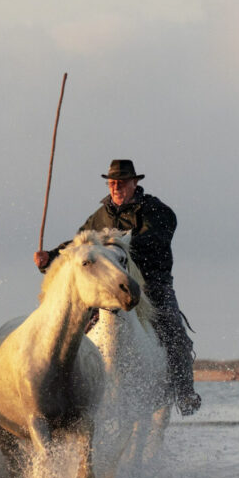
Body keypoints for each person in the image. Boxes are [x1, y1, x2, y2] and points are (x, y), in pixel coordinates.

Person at [34, 159, 202, 415]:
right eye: (112, 183)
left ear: (135, 183)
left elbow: (157, 238)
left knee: (174, 331)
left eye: (121, 183)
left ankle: (185, 391)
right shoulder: (100, 216)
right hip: (109, 289)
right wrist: (51, 256)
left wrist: (116, 245)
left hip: (151, 286)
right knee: (71, 325)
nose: (116, 188)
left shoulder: (157, 210)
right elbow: (81, 243)